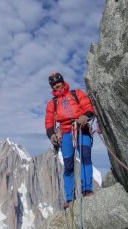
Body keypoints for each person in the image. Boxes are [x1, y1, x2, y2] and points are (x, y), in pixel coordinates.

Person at [44, 72, 95, 208]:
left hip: (81, 128)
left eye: (58, 82)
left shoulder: (76, 94)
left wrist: (84, 116)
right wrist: (52, 135)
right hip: (66, 133)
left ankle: (87, 190)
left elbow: (89, 108)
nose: (57, 85)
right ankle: (69, 199)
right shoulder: (52, 104)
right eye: (54, 84)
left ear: (62, 81)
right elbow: (49, 122)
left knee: (85, 158)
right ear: (52, 87)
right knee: (68, 166)